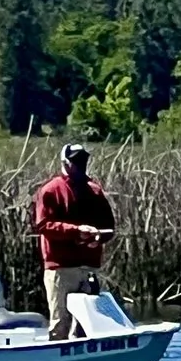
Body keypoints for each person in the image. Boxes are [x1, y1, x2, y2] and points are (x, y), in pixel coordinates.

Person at [33, 142, 117, 339]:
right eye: (76, 161)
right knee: (60, 323)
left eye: (83, 160)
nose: (80, 165)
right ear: (65, 163)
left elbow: (109, 226)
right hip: (60, 268)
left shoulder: (95, 191)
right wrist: (77, 231)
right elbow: (44, 225)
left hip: (88, 267)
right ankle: (56, 355)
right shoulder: (50, 190)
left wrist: (99, 237)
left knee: (86, 325)